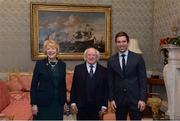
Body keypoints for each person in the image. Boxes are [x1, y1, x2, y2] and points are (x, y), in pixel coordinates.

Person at [107, 32, 147, 120]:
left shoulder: (138, 58)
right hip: (119, 100)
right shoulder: (111, 60)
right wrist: (111, 99)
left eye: (124, 41)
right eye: (119, 42)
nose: (121, 44)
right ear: (116, 43)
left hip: (135, 99)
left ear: (128, 42)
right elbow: (110, 81)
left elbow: (143, 80)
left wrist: (142, 99)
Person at [30, 39, 67, 120]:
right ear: (45, 51)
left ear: (57, 50)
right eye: (48, 49)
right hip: (43, 103)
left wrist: (64, 102)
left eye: (53, 48)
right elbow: (33, 85)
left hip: (58, 103)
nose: (51, 51)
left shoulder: (62, 65)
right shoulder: (40, 64)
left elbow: (63, 85)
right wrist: (34, 104)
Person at [70, 47, 108, 120]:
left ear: (97, 57)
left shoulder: (104, 70)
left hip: (97, 107)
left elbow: (106, 90)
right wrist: (73, 103)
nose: (91, 57)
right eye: (89, 55)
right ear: (85, 56)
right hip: (81, 107)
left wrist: (104, 106)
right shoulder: (78, 69)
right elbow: (74, 87)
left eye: (93, 55)